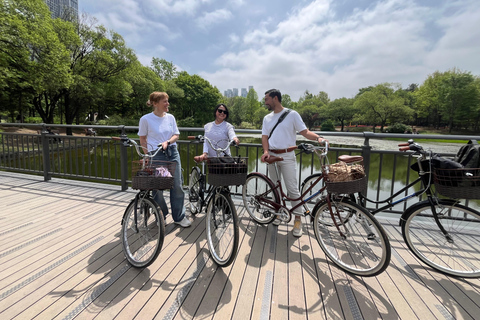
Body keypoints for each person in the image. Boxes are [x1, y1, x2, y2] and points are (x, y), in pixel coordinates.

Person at [261, 89, 327, 237]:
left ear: (275, 98)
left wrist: (319, 138)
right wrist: (266, 152)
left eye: (267, 99)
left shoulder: (292, 115)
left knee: (292, 188)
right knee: (274, 187)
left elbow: (305, 132)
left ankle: (298, 219)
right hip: (271, 155)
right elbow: (264, 137)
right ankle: (277, 213)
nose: (265, 102)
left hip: (287, 155)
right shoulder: (267, 118)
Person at [138, 91, 191, 227]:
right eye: (165, 101)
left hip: (172, 152)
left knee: (177, 185)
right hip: (156, 154)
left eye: (168, 101)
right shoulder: (146, 119)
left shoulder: (170, 118)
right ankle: (161, 213)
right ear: (155, 104)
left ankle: (179, 217)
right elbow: (142, 139)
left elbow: (176, 134)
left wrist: (168, 141)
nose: (168, 104)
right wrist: (147, 155)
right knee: (158, 187)